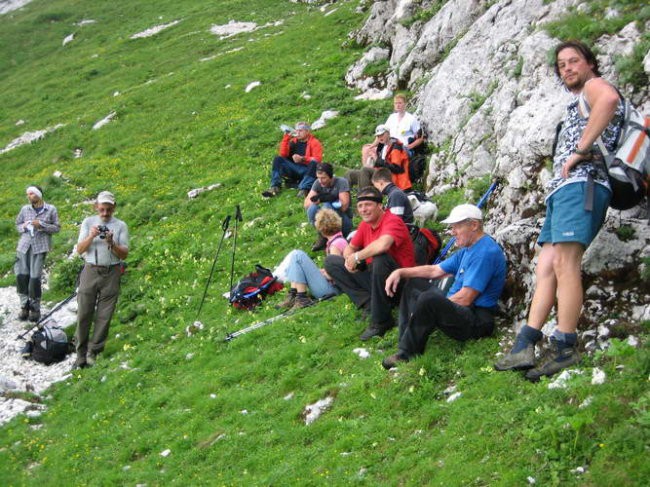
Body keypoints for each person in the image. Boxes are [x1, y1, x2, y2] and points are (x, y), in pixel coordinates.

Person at [494, 40, 624, 381]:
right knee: (547, 266)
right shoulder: (578, 99)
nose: (567, 68)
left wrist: (579, 150)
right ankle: (525, 344)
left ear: (590, 64)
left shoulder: (596, 87)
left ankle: (566, 347)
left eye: (573, 61)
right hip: (565, 191)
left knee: (565, 263)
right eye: (561, 64)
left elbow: (609, 100)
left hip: (584, 185)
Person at [381, 204, 506, 369]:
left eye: (457, 227)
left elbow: (466, 298)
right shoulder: (468, 249)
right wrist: (401, 272)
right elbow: (434, 270)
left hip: (477, 319)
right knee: (413, 283)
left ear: (474, 225)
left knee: (428, 299)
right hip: (462, 309)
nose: (452, 232)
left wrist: (429, 306)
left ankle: (407, 353)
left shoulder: (485, 252)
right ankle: (406, 339)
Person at [324, 186, 416, 340]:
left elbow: (383, 245)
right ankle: (371, 304)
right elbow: (350, 247)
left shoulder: (393, 221)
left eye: (368, 205)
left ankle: (382, 321)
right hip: (378, 279)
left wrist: (357, 257)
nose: (363, 209)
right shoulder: (365, 225)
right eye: (360, 206)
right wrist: (349, 260)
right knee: (332, 262)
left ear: (380, 206)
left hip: (401, 283)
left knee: (381, 258)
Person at [73, 191, 129, 369]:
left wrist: (111, 243)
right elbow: (80, 250)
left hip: (112, 271)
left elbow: (124, 253)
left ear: (114, 208)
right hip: (90, 269)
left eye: (109, 210)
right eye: (102, 209)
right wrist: (91, 236)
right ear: (96, 207)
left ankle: (93, 352)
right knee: (84, 313)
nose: (105, 213)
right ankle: (80, 355)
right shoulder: (88, 222)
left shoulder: (121, 226)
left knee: (105, 315)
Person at [275, 209, 348, 310]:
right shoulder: (338, 241)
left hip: (332, 290)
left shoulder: (335, 245)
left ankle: (301, 298)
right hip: (331, 287)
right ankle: (294, 294)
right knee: (296, 257)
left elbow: (336, 275)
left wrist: (322, 273)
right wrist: (322, 271)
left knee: (297, 255)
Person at [15, 186, 60, 322]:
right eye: (28, 194)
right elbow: (17, 224)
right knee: (21, 276)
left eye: (32, 193)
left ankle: (35, 308)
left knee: (34, 278)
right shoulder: (25, 209)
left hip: (40, 248)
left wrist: (41, 225)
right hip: (23, 247)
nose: (29, 196)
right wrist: (23, 227)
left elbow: (57, 228)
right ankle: (24, 306)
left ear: (39, 195)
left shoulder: (51, 209)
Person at [262, 121, 323, 198]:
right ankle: (275, 187)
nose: (298, 133)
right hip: (293, 169)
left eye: (301, 131)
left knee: (314, 163)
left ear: (307, 131)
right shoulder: (293, 142)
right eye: (297, 130)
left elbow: (318, 159)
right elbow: (283, 154)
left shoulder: (314, 142)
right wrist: (286, 138)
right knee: (278, 159)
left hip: (307, 170)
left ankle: (304, 189)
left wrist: (302, 159)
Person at [346, 124, 412, 191]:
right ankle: (343, 198)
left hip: (391, 177)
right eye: (378, 136)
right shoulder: (382, 146)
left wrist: (377, 159)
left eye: (382, 135)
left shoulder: (396, 147)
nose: (380, 137)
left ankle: (364, 197)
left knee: (365, 170)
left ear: (388, 134)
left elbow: (396, 168)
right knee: (350, 174)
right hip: (381, 172)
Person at [304, 162, 352, 251]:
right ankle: (323, 236)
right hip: (328, 221)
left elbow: (344, 205)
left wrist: (326, 199)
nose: (320, 181)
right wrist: (316, 201)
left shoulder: (341, 182)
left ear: (330, 176)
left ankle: (336, 239)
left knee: (327, 206)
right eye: (318, 178)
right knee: (312, 209)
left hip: (343, 220)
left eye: (323, 178)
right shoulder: (318, 183)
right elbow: (306, 203)